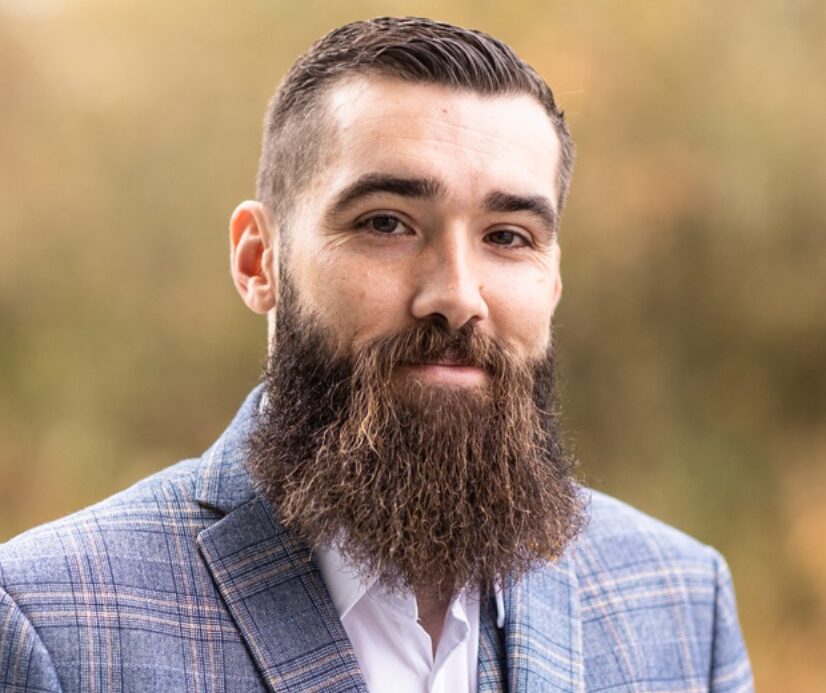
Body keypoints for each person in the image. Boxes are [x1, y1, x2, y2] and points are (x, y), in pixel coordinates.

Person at [0, 16, 753, 693]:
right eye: (386, 223)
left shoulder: (682, 604)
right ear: (259, 260)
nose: (456, 295)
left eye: (507, 236)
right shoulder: (48, 624)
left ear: (553, 279)